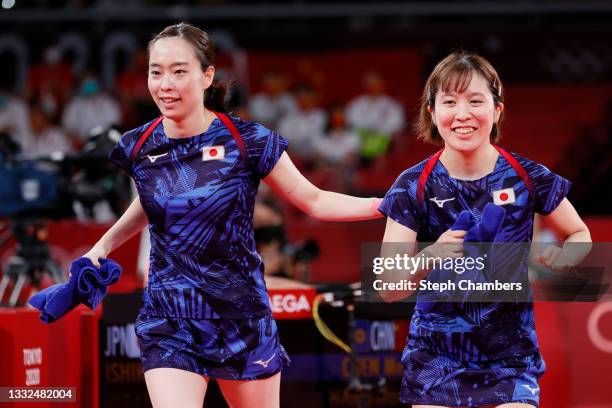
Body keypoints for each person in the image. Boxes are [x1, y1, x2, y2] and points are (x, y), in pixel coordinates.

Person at [81, 23, 382, 408]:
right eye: (156, 72)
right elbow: (152, 201)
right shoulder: (139, 144)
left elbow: (315, 201)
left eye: (179, 71)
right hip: (170, 316)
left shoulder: (247, 140)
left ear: (207, 76)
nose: (165, 84)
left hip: (240, 318)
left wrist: (385, 204)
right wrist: (101, 247)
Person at [378, 51, 591, 407]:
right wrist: (431, 255)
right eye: (449, 102)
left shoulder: (529, 176)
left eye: (476, 101)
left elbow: (579, 234)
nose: (462, 114)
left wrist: (565, 256)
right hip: (435, 361)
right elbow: (387, 287)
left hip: (510, 359)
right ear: (432, 112)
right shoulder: (412, 184)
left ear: (497, 110)